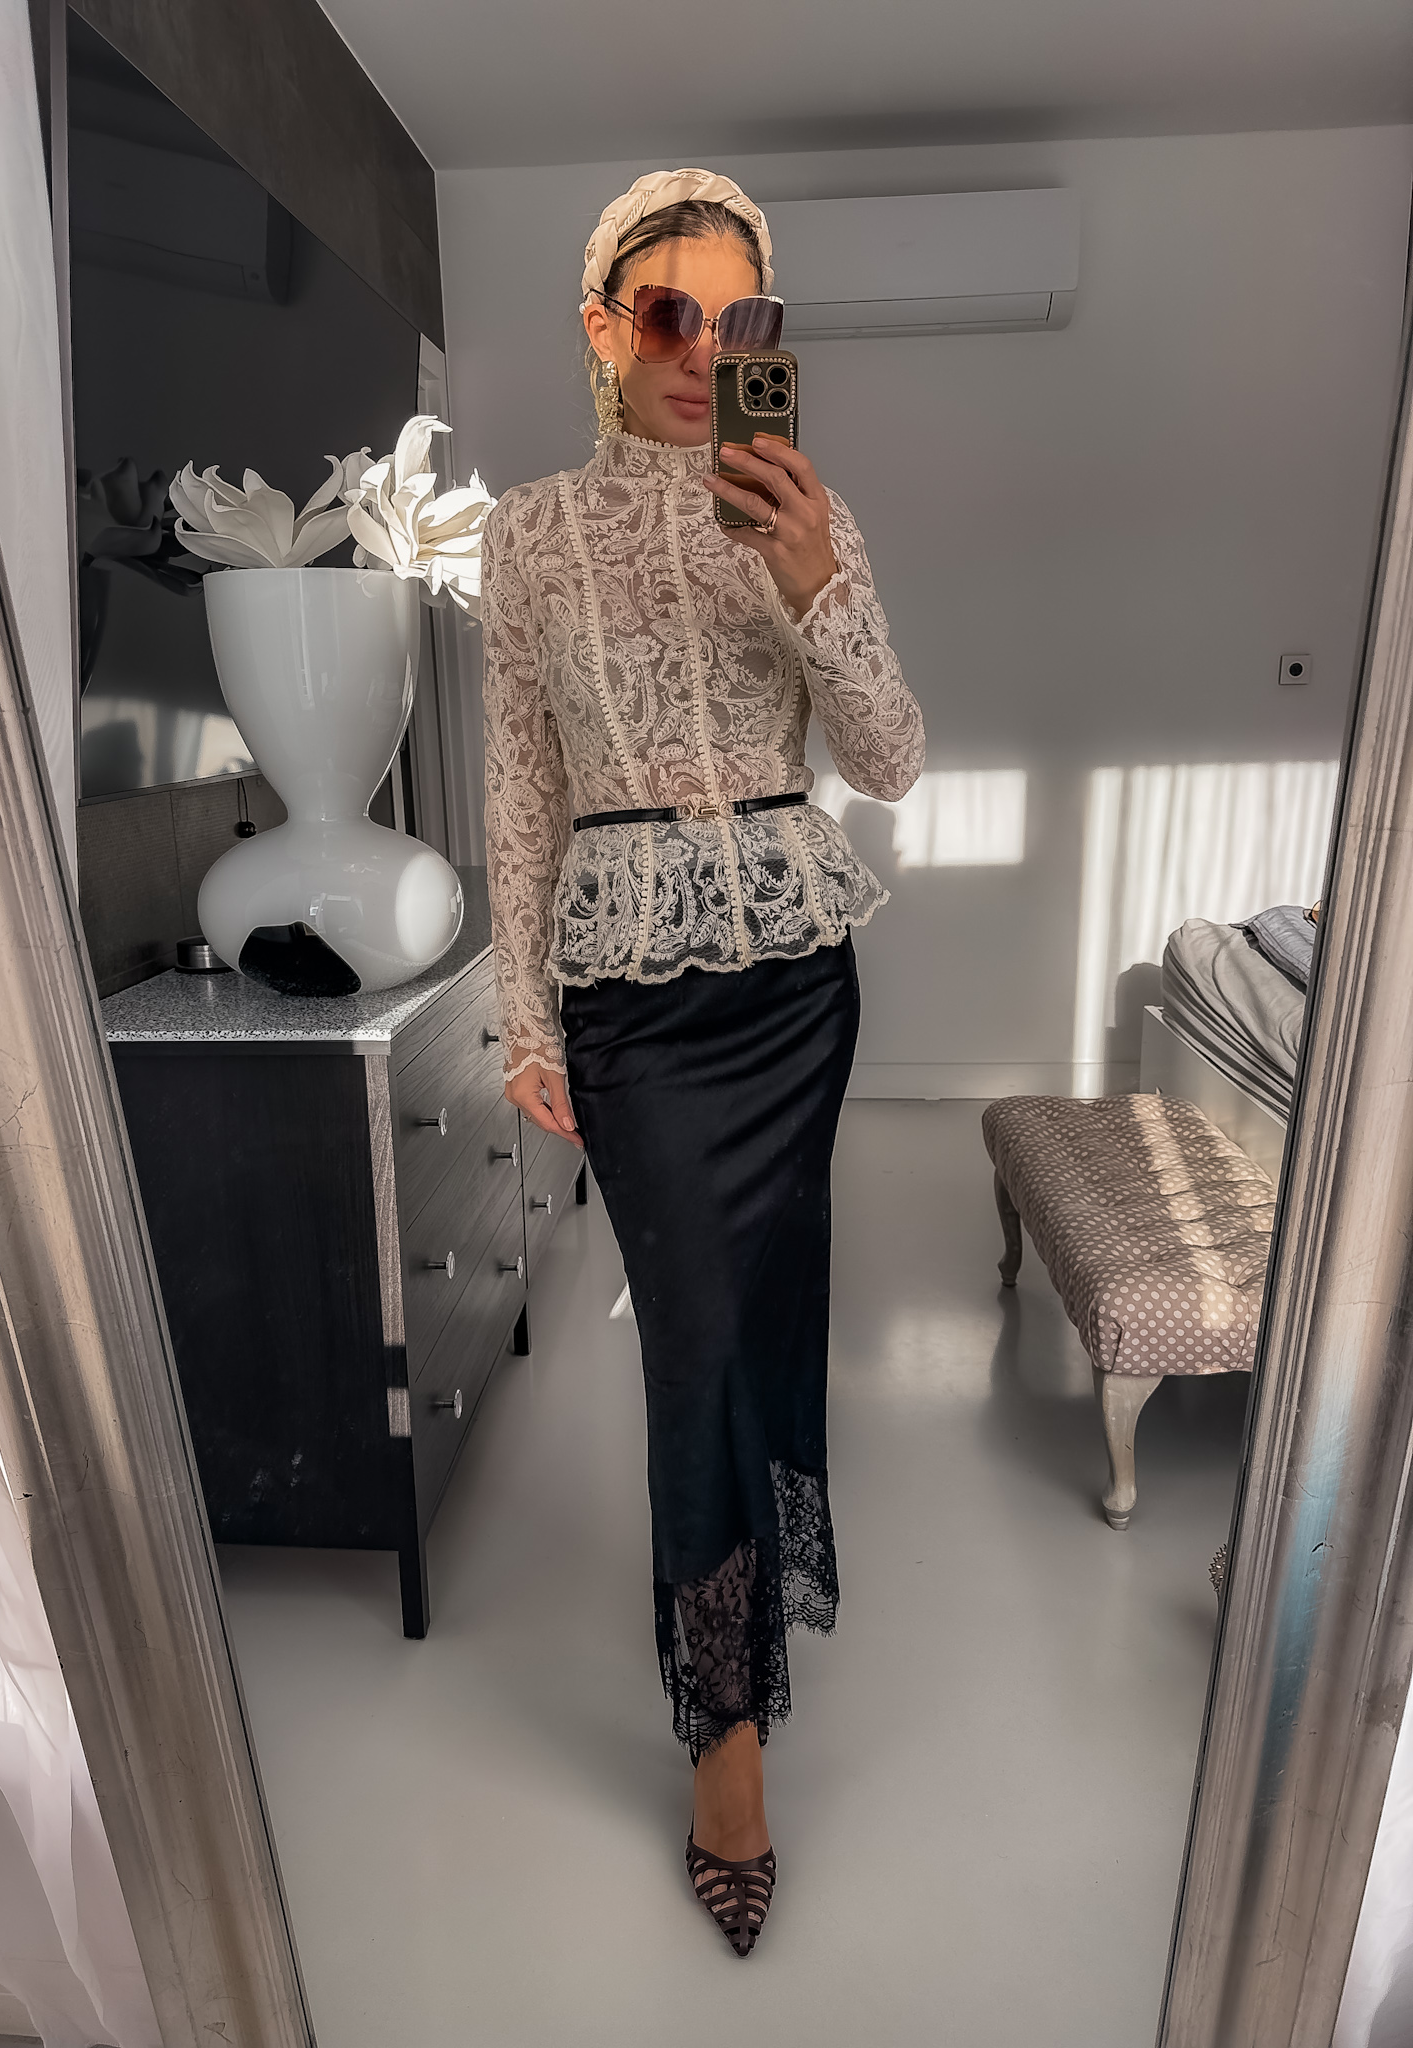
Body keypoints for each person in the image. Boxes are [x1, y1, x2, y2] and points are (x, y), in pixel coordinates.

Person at [481, 168, 924, 1956]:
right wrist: (525, 1016)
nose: (704, 351)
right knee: (698, 1346)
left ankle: (731, 1676)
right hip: (634, 997)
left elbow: (889, 759)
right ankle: (723, 1735)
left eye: (743, 323)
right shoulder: (527, 537)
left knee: (770, 1310)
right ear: (603, 328)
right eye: (672, 313)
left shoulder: (806, 510)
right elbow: (522, 788)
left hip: (796, 982)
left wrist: (815, 586)